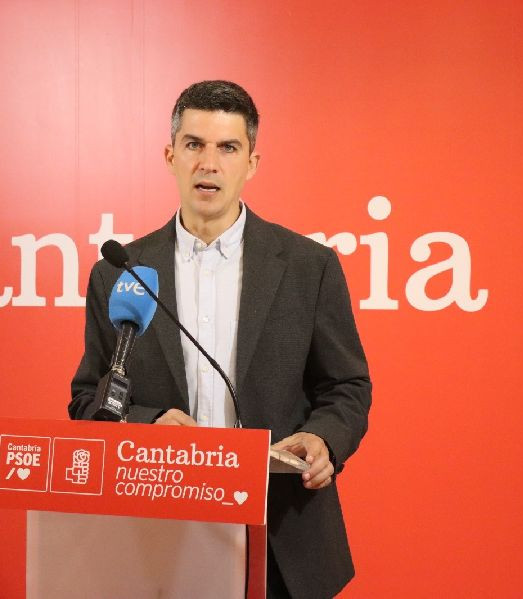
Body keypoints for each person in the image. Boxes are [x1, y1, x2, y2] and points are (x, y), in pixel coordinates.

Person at [70, 80, 372, 599]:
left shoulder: (309, 267)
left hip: (279, 533)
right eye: (194, 144)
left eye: (228, 148)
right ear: (170, 156)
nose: (208, 164)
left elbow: (347, 386)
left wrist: (323, 439)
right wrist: (148, 424)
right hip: (157, 533)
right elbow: (88, 399)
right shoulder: (122, 271)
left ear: (251, 163)